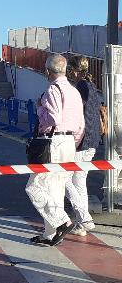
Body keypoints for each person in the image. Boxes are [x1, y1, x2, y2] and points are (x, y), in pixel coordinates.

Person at [25, 54, 85, 246]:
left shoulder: (52, 89)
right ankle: (49, 234)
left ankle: (61, 221)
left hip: (54, 142)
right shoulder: (74, 91)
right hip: (69, 143)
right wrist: (73, 143)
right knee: (56, 189)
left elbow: (54, 119)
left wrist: (40, 107)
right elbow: (81, 125)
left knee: (34, 186)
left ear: (48, 71)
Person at [66, 56, 100, 236]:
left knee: (64, 179)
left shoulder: (81, 87)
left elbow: (76, 113)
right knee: (80, 181)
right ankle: (81, 223)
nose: (69, 73)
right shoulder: (92, 86)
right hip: (93, 140)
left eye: (70, 69)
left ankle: (84, 218)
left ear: (75, 70)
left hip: (81, 140)